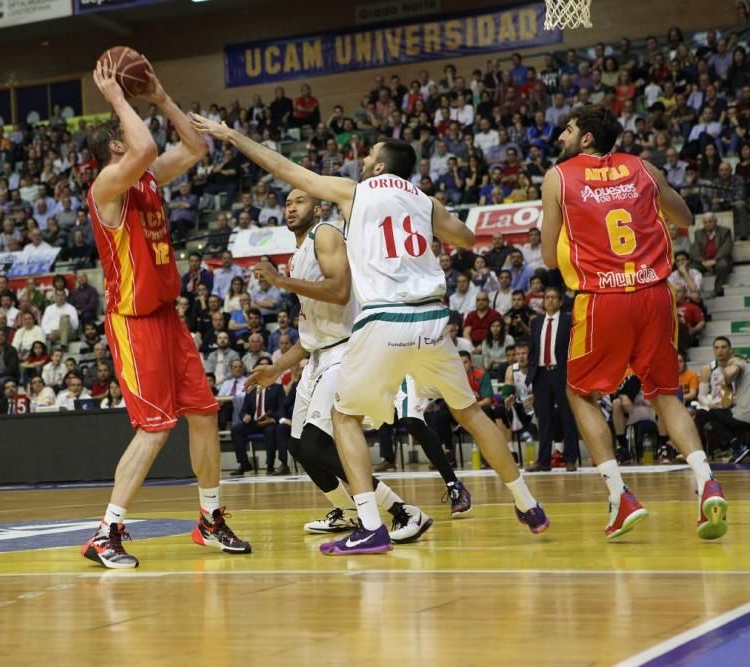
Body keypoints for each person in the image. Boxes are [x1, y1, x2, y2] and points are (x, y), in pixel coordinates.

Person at [192, 115, 547, 555]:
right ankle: (527, 503)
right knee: (470, 413)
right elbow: (468, 238)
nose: (362, 158)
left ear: (380, 167)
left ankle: (372, 526)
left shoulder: (354, 191)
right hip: (433, 318)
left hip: (384, 319)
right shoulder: (423, 200)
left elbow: (285, 169)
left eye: (369, 154)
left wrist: (231, 136)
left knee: (342, 421)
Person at [80, 59, 249, 569]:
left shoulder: (147, 179)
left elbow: (198, 148)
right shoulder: (108, 185)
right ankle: (105, 532)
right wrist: (116, 97)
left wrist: (161, 97)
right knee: (155, 428)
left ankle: (209, 519)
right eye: (126, 132)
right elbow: (147, 147)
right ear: (115, 147)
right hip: (132, 320)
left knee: (203, 414)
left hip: (166, 316)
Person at [540, 105, 727, 540]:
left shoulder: (559, 177)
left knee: (580, 393)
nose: (561, 137)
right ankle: (706, 482)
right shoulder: (642, 167)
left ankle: (619, 494)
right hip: (656, 293)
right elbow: (684, 218)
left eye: (568, 130)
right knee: (665, 395)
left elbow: (549, 258)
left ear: (586, 139)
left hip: (602, 297)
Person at [243, 189, 466, 543]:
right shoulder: (297, 256)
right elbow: (311, 334)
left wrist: (281, 282)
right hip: (318, 357)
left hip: (346, 352)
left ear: (317, 207)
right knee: (299, 446)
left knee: (318, 444)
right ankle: (346, 512)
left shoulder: (326, 234)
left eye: (299, 201)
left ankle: (401, 511)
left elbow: (340, 290)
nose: (290, 207)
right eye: (286, 203)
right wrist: (277, 368)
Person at [526, 289, 581, 472]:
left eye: (553, 297)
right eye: (547, 297)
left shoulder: (567, 319)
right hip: (541, 374)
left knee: (567, 416)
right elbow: (533, 348)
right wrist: (531, 371)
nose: (550, 301)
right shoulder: (536, 322)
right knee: (544, 419)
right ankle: (543, 461)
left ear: (560, 301)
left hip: (561, 373)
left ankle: (571, 459)